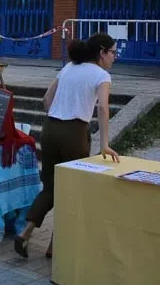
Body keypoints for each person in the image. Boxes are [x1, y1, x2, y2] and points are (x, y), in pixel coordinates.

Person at [14, 33, 120, 259]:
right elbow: (103, 108)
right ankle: (54, 245)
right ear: (102, 52)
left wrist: (58, 116)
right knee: (71, 189)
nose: (114, 57)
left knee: (51, 186)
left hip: (50, 129)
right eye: (113, 52)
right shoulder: (101, 75)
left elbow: (46, 99)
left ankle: (25, 233)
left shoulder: (70, 67)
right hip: (74, 133)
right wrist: (104, 145)